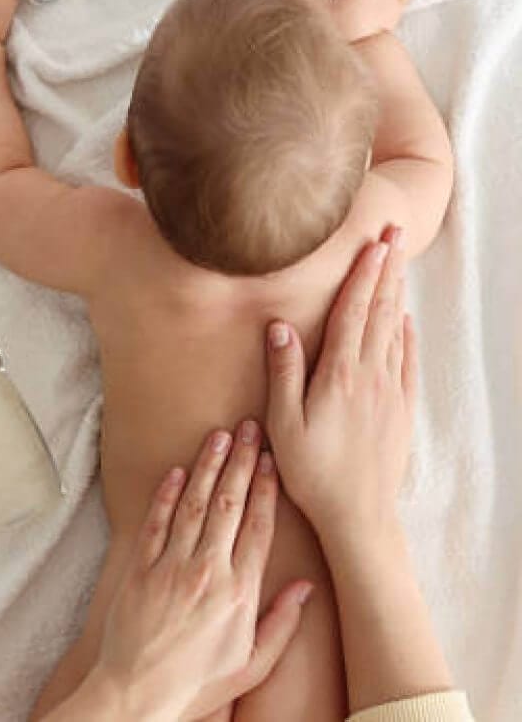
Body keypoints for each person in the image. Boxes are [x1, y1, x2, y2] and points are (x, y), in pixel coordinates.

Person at [0, 0, 453, 721]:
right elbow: (425, 159)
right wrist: (370, 35)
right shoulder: (370, 227)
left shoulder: (114, 246)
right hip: (304, 613)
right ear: (355, 166)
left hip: (152, 599)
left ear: (126, 160)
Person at [39, 236, 475, 721]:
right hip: (237, 625)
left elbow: (7, 205)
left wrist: (131, 692)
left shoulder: (118, 245)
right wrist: (363, 516)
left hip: (159, 634)